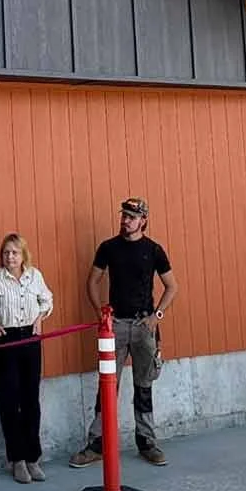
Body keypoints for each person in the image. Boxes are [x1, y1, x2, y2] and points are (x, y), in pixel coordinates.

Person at [71, 198, 179, 468]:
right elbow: (92, 280)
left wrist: (157, 316)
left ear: (143, 220)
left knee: (144, 385)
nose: (125, 220)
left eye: (131, 216)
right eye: (124, 216)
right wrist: (100, 312)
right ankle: (97, 444)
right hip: (115, 325)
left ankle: (147, 441)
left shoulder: (153, 250)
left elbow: (171, 286)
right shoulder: (109, 248)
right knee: (108, 385)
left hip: (144, 327)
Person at [0, 233, 55, 483]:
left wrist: (40, 319)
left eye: (15, 252)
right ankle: (17, 460)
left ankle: (33, 457)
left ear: (23, 255)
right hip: (5, 341)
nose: (10, 257)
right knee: (10, 400)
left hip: (30, 339)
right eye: (6, 252)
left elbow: (47, 299)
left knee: (31, 399)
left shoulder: (34, 276)